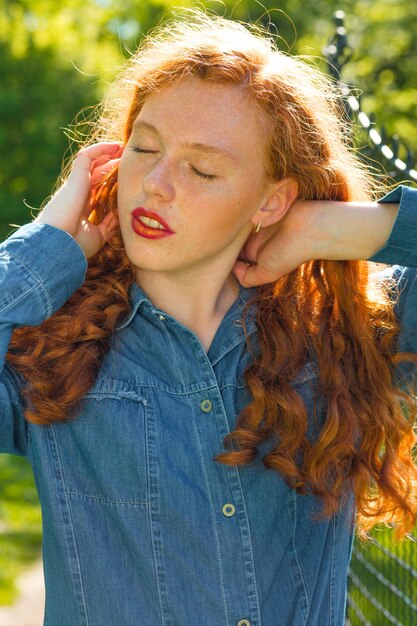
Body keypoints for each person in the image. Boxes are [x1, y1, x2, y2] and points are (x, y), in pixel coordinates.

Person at [1, 10, 416, 626]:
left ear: (272, 199)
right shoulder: (55, 346)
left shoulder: (346, 335)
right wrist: (45, 248)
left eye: (202, 168)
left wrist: (335, 226)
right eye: (144, 148)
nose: (156, 184)